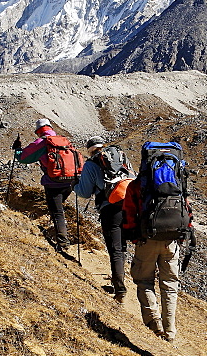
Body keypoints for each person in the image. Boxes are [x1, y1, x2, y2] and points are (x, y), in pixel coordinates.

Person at [122, 142, 192, 344]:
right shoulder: (178, 183)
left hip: (146, 239)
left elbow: (128, 213)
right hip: (172, 240)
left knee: (144, 281)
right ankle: (170, 331)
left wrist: (133, 236)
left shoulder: (137, 186)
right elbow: (187, 209)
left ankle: (154, 323)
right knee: (170, 285)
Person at [73, 137, 133, 303]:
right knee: (125, 245)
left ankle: (120, 289)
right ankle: (134, 282)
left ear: (90, 150)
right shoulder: (121, 158)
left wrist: (74, 185)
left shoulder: (91, 164)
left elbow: (84, 192)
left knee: (116, 248)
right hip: (131, 205)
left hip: (110, 208)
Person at [15, 119, 81, 255]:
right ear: (51, 128)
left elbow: (23, 158)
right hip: (70, 181)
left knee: (57, 212)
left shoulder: (42, 143)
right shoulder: (64, 140)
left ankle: (62, 243)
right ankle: (60, 231)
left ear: (38, 132)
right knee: (59, 208)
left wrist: (17, 150)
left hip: (53, 182)